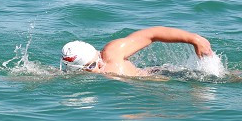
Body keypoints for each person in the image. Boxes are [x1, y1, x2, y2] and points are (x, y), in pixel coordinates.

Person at [61, 26, 212, 78]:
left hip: (167, 76)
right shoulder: (76, 71)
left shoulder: (113, 52)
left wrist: (195, 39)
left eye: (91, 67)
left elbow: (152, 34)